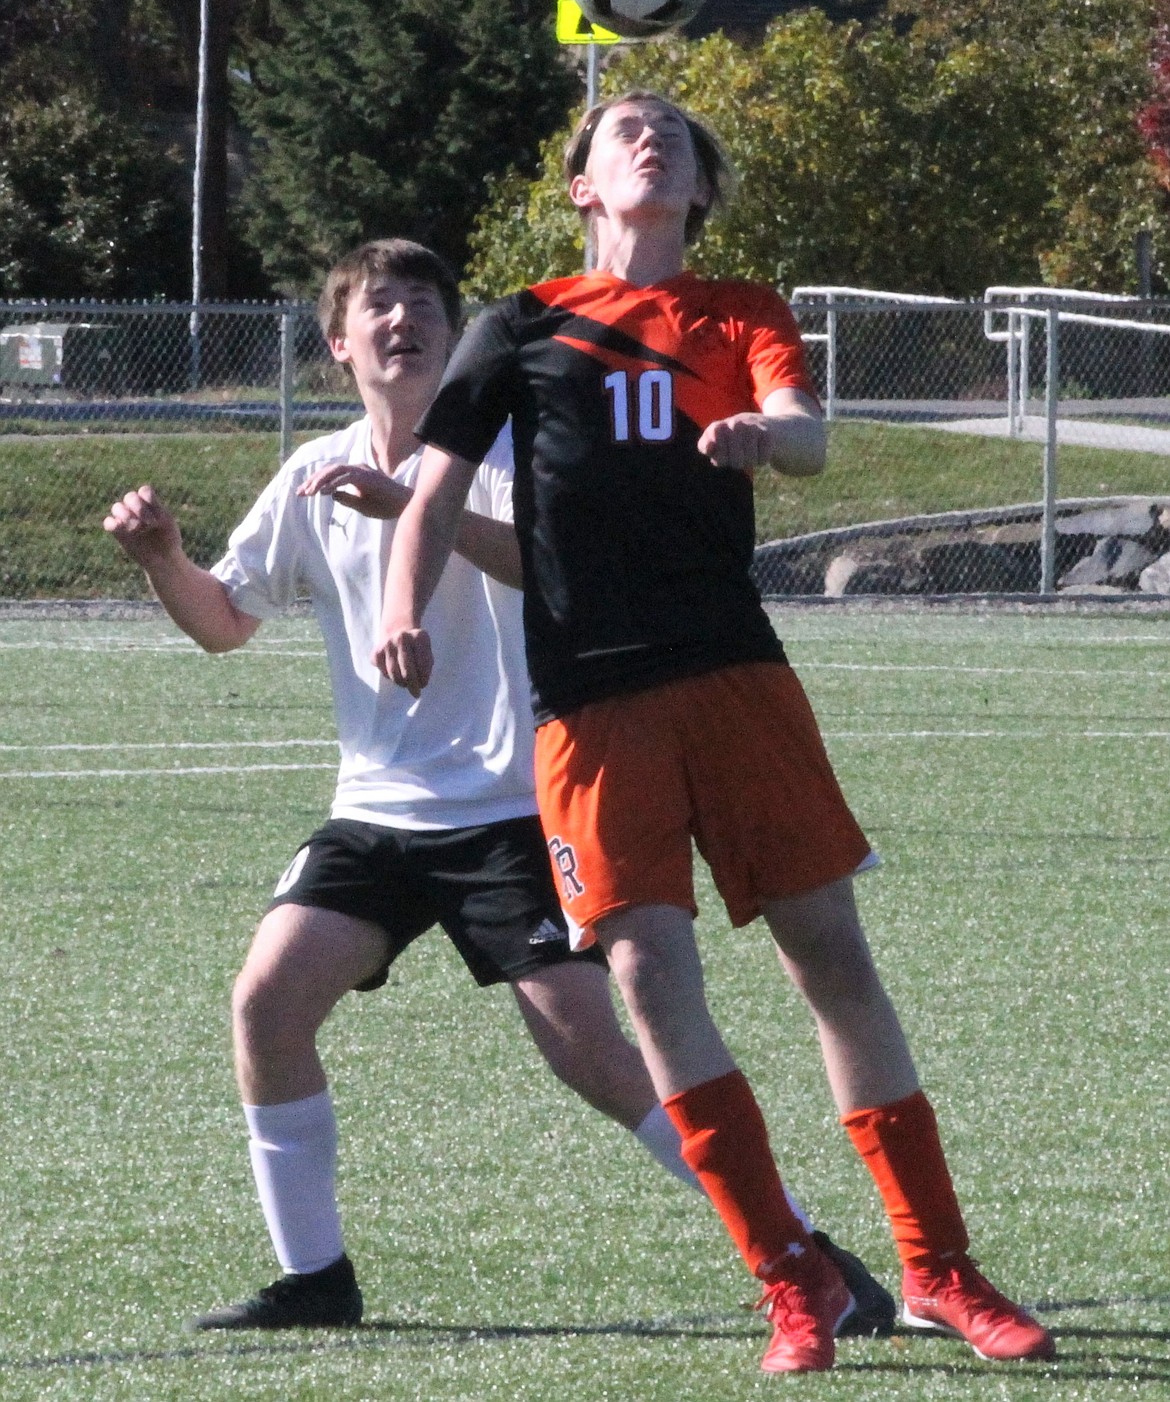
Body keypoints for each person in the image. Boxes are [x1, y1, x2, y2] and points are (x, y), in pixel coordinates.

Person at [375, 99, 1057, 1375]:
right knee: (644, 981)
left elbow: (806, 431)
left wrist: (766, 437)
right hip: (590, 703)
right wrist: (402, 606)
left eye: (672, 137)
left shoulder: (742, 310)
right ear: (581, 186)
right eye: (624, 131)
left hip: (736, 676)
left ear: (698, 190)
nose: (652, 142)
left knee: (831, 964)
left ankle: (937, 1269)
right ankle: (790, 1275)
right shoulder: (517, 324)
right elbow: (436, 488)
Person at [103, 236, 892, 1335]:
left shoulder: (522, 444)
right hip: (377, 814)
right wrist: (162, 562)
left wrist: (413, 511)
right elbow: (225, 625)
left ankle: (808, 1253)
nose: (403, 319)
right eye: (377, 305)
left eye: (424, 301)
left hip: (520, 805)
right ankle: (316, 1277)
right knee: (266, 1003)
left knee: (595, 1056)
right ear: (339, 343)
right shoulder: (309, 474)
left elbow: (559, 563)